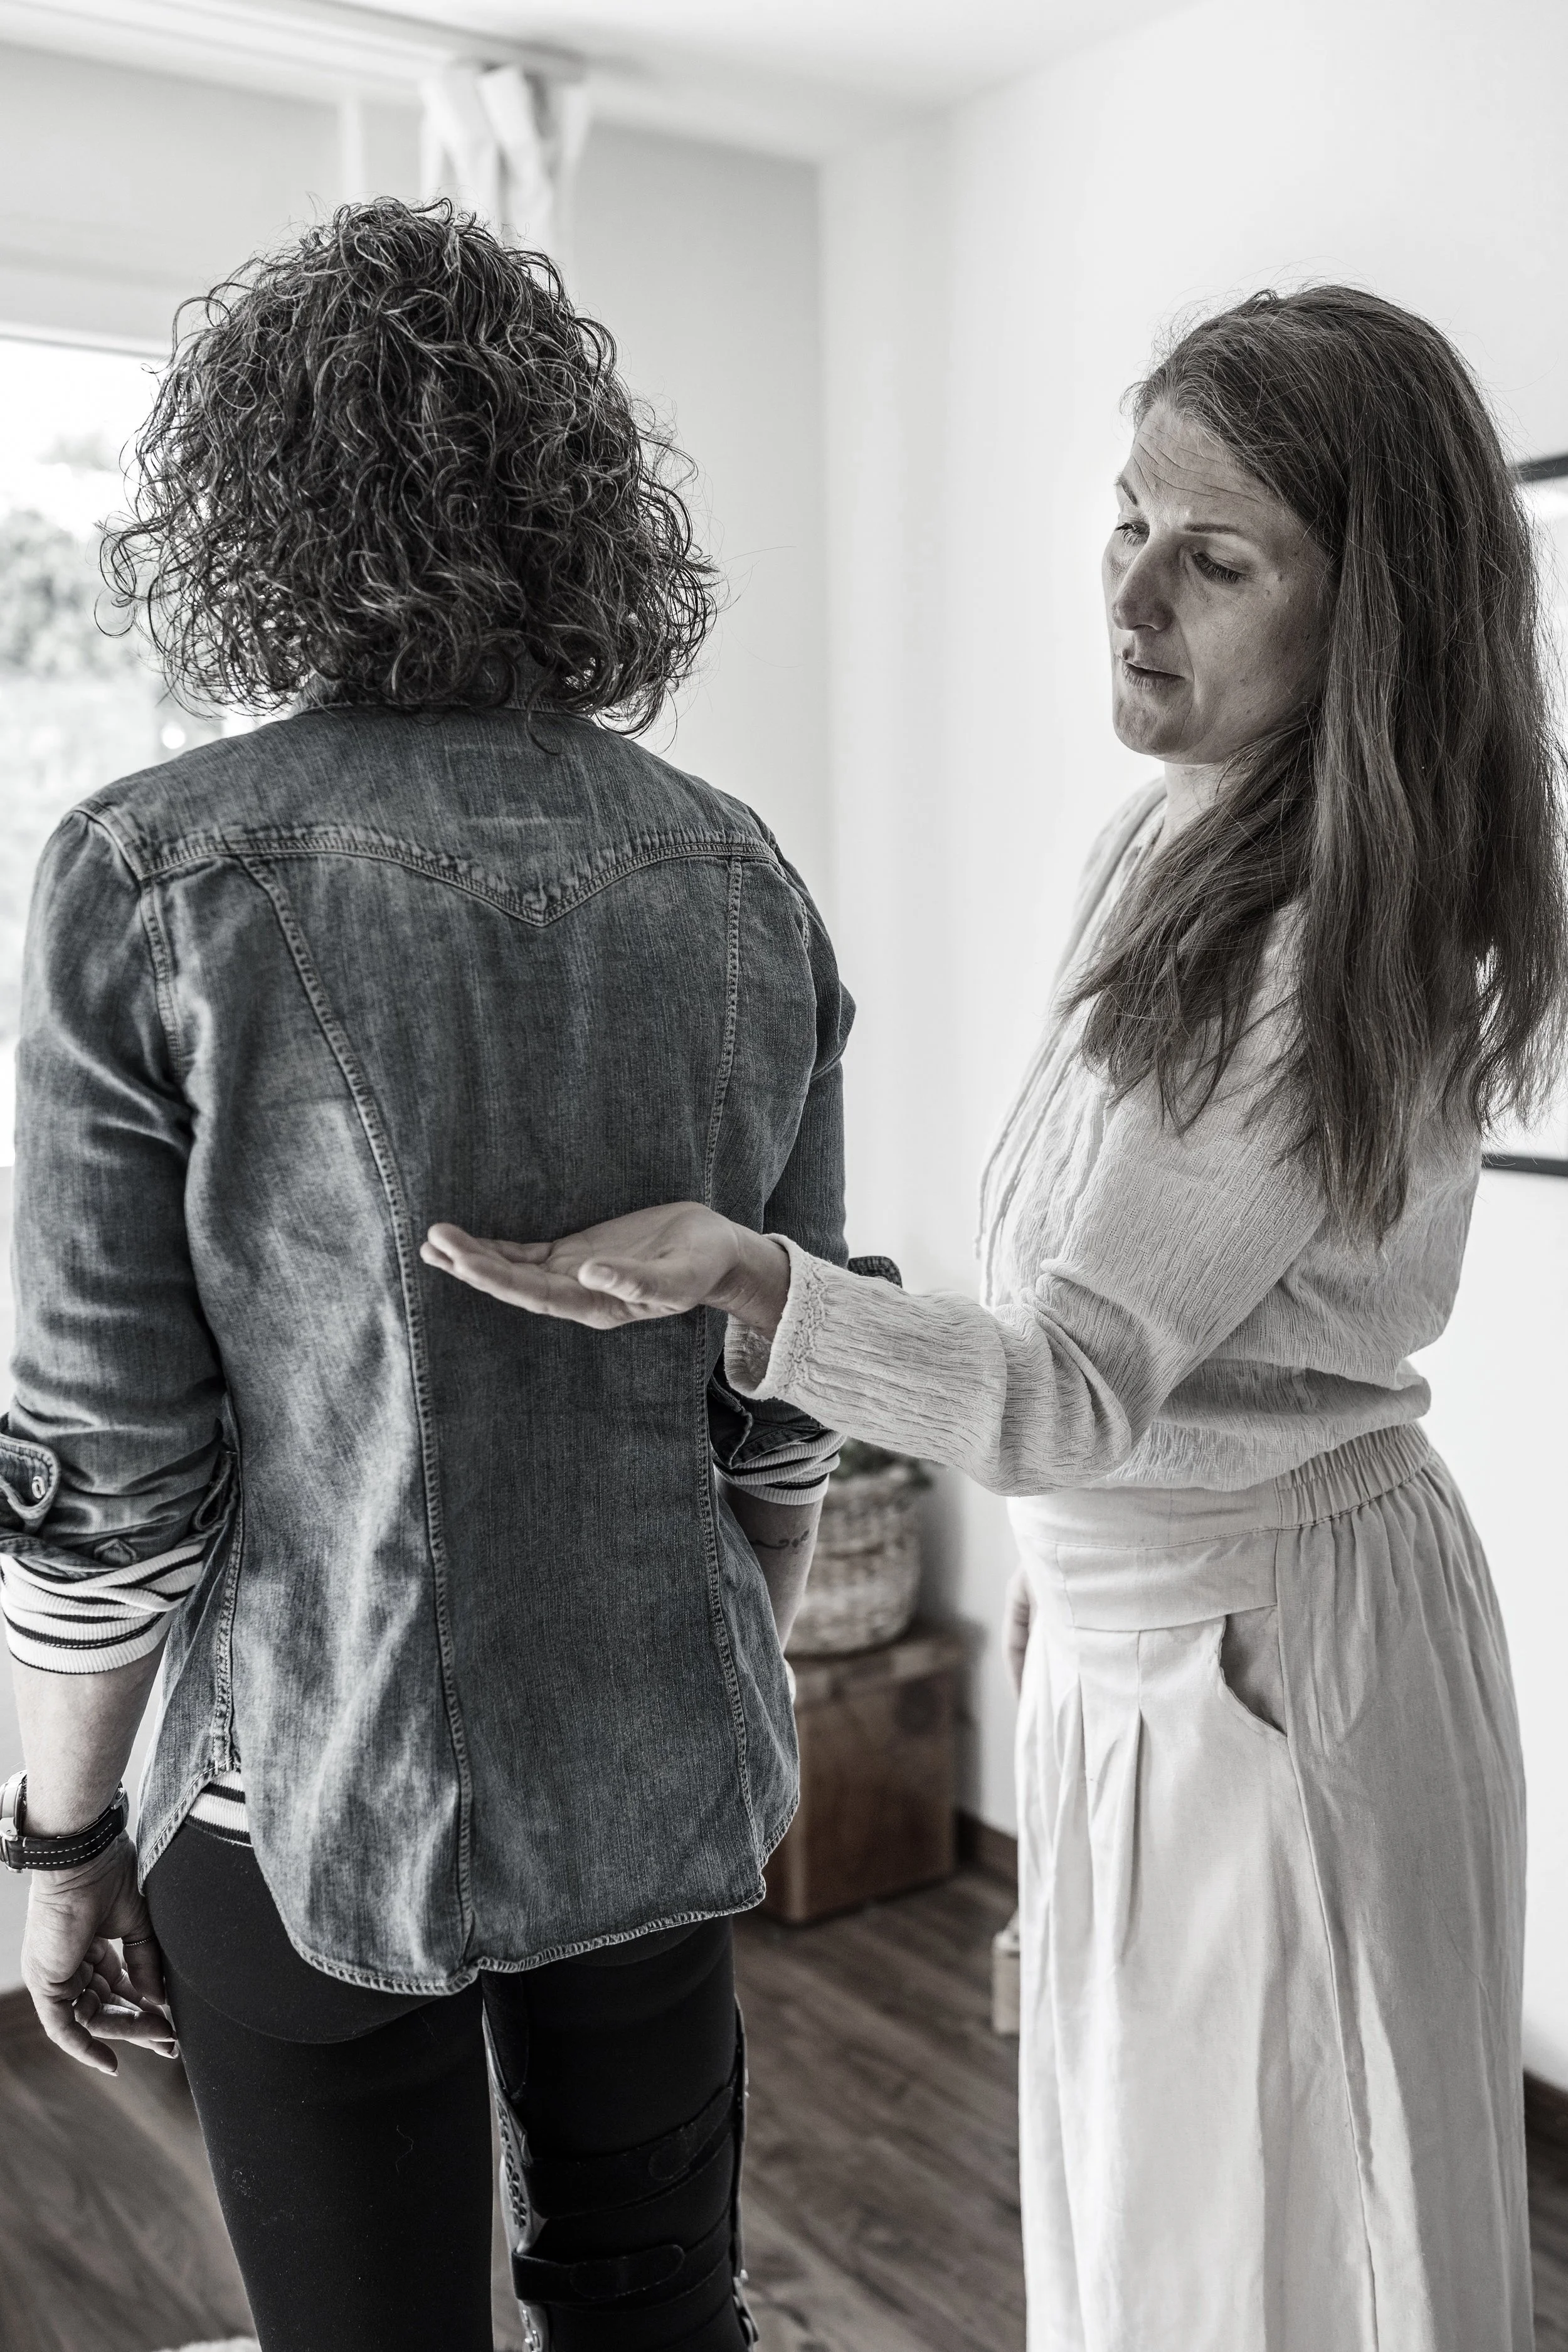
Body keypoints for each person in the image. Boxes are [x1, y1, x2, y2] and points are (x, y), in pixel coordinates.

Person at [423, 286, 1568, 2352]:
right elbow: (1095, 1352)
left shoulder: (1311, 928)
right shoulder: (1169, 847)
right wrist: (1049, 1587)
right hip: (1172, 1625)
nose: (1132, 593)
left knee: (1281, 2243)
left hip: (1273, 1660)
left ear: (1368, 613)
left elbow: (1066, 1382)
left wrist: (751, 1277)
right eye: (1125, 523)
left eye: (1213, 558)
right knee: (1168, 2214)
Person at [0, 198, 856, 2352]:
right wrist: (695, 1677)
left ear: (255, 507)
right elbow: (787, 1373)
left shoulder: (145, 871)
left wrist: (56, 1828)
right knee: (660, 2308)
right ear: (580, 503)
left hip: (291, 1781)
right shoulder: (732, 868)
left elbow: (105, 1465)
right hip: (656, 1754)